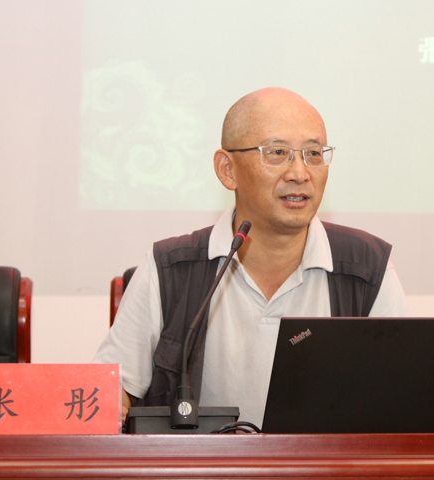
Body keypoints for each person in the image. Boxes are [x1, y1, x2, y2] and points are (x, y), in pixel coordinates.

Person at [94, 87, 406, 428]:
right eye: (278, 153)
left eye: (314, 154)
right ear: (227, 169)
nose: (300, 173)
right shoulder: (170, 268)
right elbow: (108, 395)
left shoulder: (367, 269)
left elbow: (401, 399)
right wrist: (110, 411)